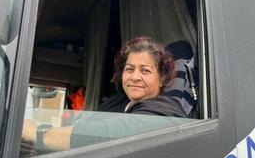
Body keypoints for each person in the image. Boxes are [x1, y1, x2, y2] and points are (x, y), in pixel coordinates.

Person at [22, 37, 187, 151]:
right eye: (129, 69)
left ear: (161, 78)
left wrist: (38, 134)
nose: (135, 77)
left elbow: (105, 134)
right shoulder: (118, 101)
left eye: (145, 70)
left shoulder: (166, 110)